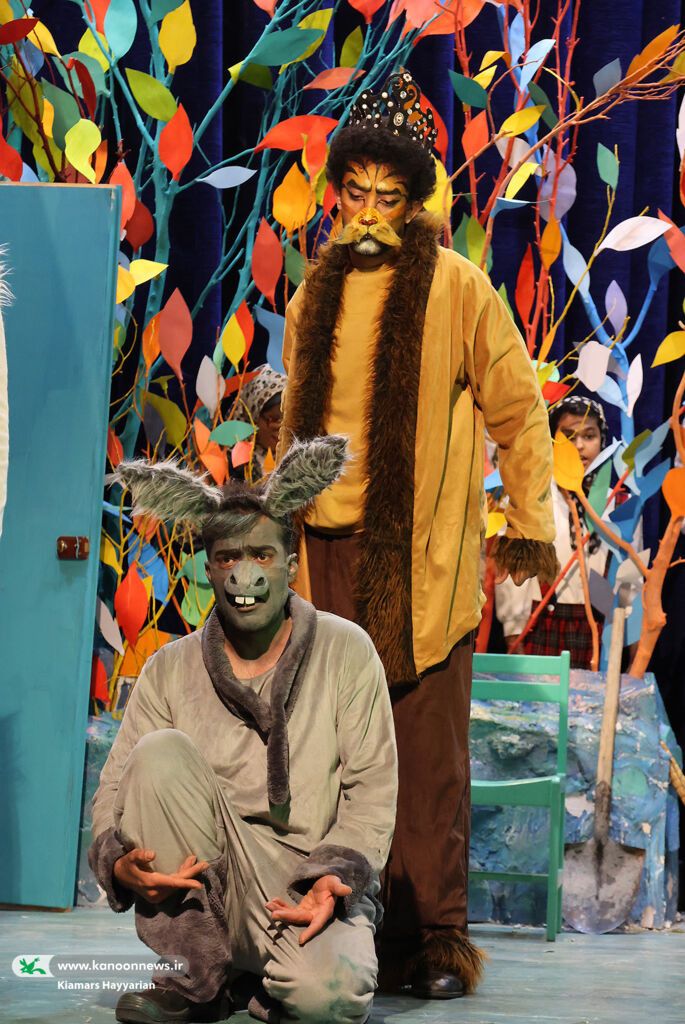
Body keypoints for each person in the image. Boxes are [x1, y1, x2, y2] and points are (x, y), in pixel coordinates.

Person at [277, 70, 558, 999]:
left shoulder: (457, 287)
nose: (366, 213)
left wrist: (526, 528)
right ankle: (342, 929)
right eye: (354, 192)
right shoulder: (312, 296)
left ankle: (435, 938)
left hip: (421, 558)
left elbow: (518, 409)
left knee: (425, 752)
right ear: (337, 191)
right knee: (331, 752)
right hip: (323, 553)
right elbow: (293, 438)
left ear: (413, 200)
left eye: (386, 196)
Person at [88, 436, 398, 1024]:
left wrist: (333, 877)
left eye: (261, 555)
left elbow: (373, 788)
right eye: (229, 558)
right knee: (157, 753)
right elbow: (115, 784)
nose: (244, 574)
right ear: (209, 569)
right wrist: (118, 861)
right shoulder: (170, 668)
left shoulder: (346, 650)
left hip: (304, 881)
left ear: (290, 564)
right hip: (208, 883)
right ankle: (196, 977)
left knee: (332, 999)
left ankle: (258, 979)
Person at [496, 394, 640, 668]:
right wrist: (514, 634)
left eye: (589, 436)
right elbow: (513, 575)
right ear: (551, 441)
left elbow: (630, 585)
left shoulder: (620, 505)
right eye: (569, 437)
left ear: (603, 440)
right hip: (542, 626)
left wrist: (634, 657)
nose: (580, 446)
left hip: (600, 631)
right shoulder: (531, 502)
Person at [230, 363, 286, 479]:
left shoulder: (294, 463)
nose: (281, 429)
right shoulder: (227, 461)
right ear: (252, 413)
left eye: (287, 419)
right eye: (274, 419)